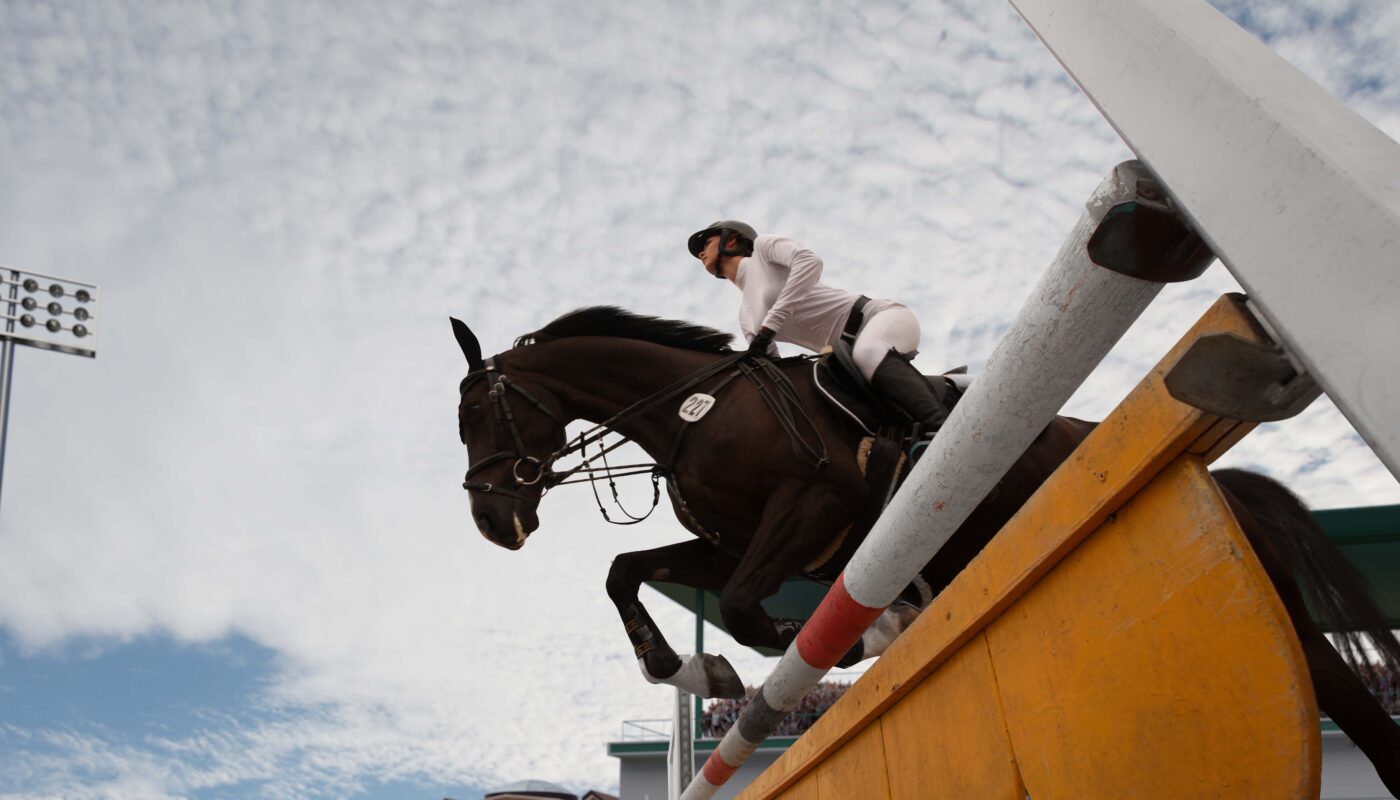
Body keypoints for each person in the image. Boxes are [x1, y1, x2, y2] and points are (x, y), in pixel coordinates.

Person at [687, 220, 947, 441]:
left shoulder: (764, 249)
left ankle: (940, 428)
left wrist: (771, 323)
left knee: (867, 352)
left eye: (706, 243)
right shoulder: (745, 316)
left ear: (731, 240)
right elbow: (773, 368)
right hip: (846, 362)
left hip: (879, 318)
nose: (700, 253)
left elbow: (810, 262)